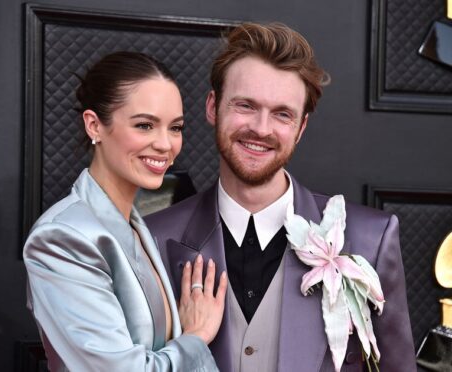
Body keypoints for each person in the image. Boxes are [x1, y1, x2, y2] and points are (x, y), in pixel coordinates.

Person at [145, 23, 417, 372]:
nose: (261, 128)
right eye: (245, 105)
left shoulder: (371, 240)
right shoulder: (151, 240)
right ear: (213, 107)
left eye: (282, 114)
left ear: (301, 128)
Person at [23, 51, 227, 372]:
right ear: (94, 125)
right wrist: (197, 335)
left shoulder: (136, 226)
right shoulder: (62, 237)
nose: (165, 144)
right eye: (145, 125)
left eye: (175, 128)